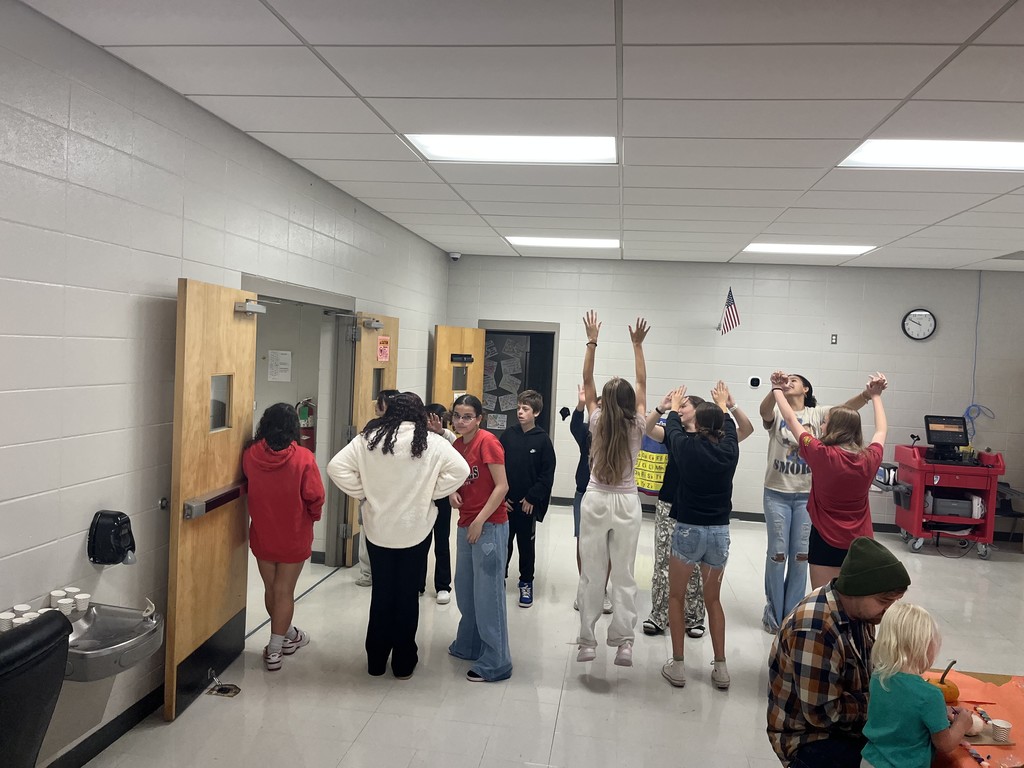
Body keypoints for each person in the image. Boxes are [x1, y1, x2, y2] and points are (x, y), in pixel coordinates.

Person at [327, 392, 469, 679]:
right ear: (419, 414)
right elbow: (461, 470)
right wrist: (430, 492)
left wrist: (364, 493)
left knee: (381, 595)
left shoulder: (369, 439)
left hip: (378, 530)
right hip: (414, 531)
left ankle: (376, 662)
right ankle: (404, 663)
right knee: (406, 597)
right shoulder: (431, 442)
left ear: (390, 412)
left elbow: (335, 468)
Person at [767, 536, 911, 768]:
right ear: (857, 589)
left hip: (842, 729)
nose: (888, 610)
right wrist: (885, 702)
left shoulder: (860, 611)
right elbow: (823, 714)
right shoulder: (815, 628)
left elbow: (868, 671)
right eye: (885, 601)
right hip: (810, 741)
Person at [759, 373, 887, 632]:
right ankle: (847, 631)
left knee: (813, 578)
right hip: (853, 538)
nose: (823, 425)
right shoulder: (868, 457)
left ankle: (812, 624)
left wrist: (776, 390)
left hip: (820, 527)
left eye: (826, 423)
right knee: (780, 556)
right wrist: (876, 396)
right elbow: (881, 430)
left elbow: (795, 420)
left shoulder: (821, 449)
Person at [643, 381, 753, 638]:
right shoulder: (675, 433)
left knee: (696, 568)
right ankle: (659, 615)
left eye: (684, 405)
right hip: (670, 503)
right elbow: (647, 429)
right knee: (663, 563)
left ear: (699, 410)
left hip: (697, 511)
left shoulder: (719, 438)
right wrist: (662, 407)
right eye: (678, 407)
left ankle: (693, 617)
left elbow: (747, 429)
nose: (679, 410)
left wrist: (731, 405)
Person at [576, 310, 648, 668]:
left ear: (604, 399)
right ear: (630, 400)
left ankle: (587, 640)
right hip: (627, 502)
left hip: (596, 498)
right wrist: (637, 345)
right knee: (624, 573)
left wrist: (592, 341)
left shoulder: (596, 419)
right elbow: (642, 382)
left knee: (593, 571)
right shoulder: (638, 423)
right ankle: (624, 643)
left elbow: (587, 378)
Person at [659, 385, 740, 689]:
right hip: (719, 532)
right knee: (713, 600)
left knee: (676, 596)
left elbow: (674, 429)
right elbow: (730, 428)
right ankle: (720, 667)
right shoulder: (730, 449)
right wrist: (724, 406)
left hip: (688, 529)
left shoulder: (687, 448)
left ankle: (678, 665)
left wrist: (673, 405)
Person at [242, 403, 326, 671]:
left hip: (264, 532)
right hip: (294, 533)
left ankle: (289, 635)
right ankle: (275, 650)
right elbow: (315, 496)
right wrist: (312, 516)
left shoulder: (250, 455)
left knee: (272, 589)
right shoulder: (303, 457)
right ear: (294, 427)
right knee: (285, 591)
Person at [448, 394, 513, 682]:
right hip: (466, 525)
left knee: (488, 595)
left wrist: (479, 521)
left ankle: (497, 661)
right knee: (466, 589)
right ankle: (469, 644)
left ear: (479, 418)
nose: (461, 422)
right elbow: (452, 479)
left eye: (467, 417)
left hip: (489, 526)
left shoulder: (487, 442)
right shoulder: (456, 445)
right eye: (457, 416)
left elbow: (502, 487)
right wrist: (452, 493)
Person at [861, 603, 973, 768]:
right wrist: (962, 724)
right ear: (924, 646)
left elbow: (900, 710)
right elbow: (945, 744)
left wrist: (940, 712)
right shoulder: (930, 695)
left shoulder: (878, 677)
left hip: (869, 761)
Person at [500, 389, 556, 608]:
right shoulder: (508, 435)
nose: (520, 412)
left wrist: (533, 498)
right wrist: (501, 497)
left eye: (526, 409)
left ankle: (526, 582)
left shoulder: (542, 440)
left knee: (526, 546)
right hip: (506, 503)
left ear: (537, 412)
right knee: (503, 543)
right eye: (519, 408)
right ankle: (499, 579)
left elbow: (547, 473)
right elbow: (497, 467)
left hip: (527, 505)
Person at [569, 385, 612, 614]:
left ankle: (602, 590)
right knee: (583, 543)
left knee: (608, 545)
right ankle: (585, 587)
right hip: (584, 492)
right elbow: (575, 426)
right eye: (600, 406)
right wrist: (581, 404)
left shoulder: (619, 432)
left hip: (609, 494)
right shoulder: (587, 431)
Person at [355, 388, 401, 588]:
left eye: (379, 402)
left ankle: (378, 572)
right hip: (372, 487)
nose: (375, 405)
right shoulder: (372, 427)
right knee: (367, 530)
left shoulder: (402, 429)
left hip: (392, 489)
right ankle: (367, 573)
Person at [422, 402, 458, 604]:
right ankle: (417, 584)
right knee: (420, 542)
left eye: (435, 419)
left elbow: (455, 453)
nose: (430, 423)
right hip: (422, 498)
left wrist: (440, 431)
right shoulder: (418, 437)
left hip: (442, 497)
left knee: (442, 542)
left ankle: (443, 586)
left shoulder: (448, 437)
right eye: (427, 419)